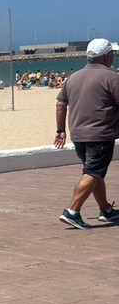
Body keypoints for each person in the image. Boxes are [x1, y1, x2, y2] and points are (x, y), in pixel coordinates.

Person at [54, 38, 119, 229]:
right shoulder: (111, 77)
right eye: (113, 53)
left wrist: (60, 130)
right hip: (100, 134)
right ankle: (72, 211)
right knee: (92, 172)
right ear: (106, 56)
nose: (114, 56)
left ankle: (105, 210)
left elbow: (60, 104)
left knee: (94, 172)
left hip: (78, 134)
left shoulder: (73, 78)